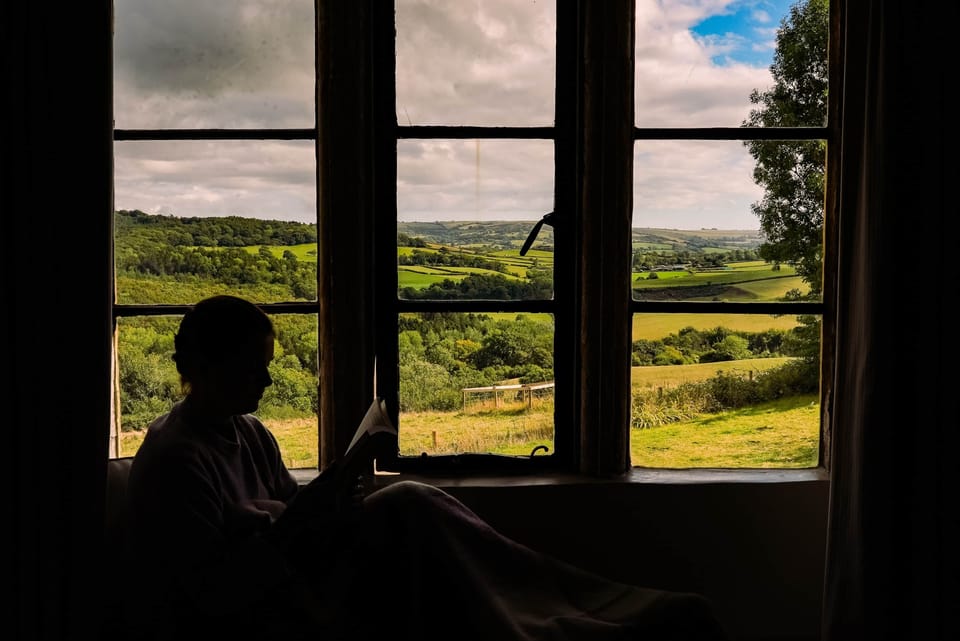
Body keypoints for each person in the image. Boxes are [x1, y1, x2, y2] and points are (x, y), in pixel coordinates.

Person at [124, 294, 728, 641]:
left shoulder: (250, 431)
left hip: (310, 574)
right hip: (282, 610)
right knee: (412, 509)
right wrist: (300, 526)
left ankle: (577, 606)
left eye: (267, 362)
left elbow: (290, 513)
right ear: (203, 364)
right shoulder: (175, 460)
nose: (266, 378)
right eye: (252, 365)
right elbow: (209, 597)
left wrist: (335, 497)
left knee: (414, 504)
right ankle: (576, 615)